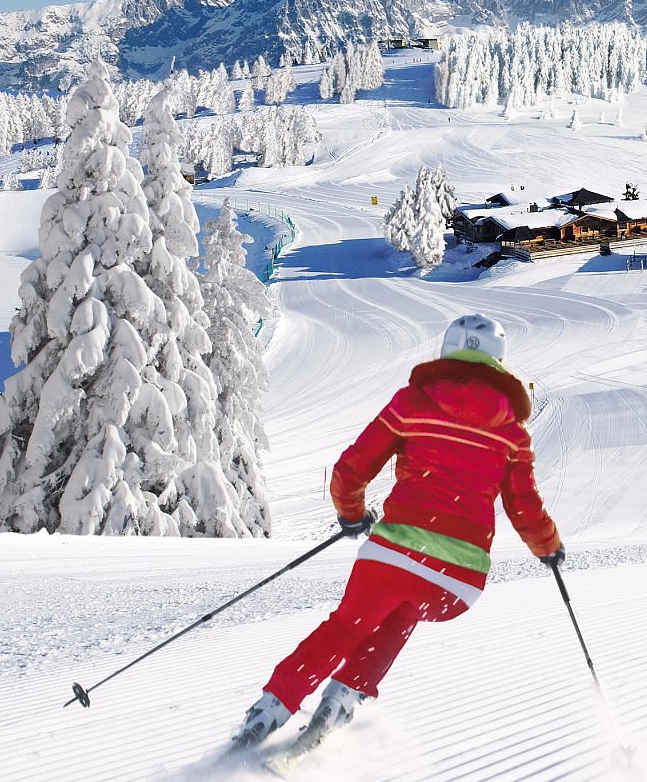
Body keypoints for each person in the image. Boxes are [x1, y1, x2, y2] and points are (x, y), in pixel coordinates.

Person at [231, 313, 564, 751]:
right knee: (406, 609)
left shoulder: (411, 403)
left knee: (349, 625)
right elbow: (523, 505)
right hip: (458, 580)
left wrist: (351, 514)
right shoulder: (512, 432)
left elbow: (350, 471)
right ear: (499, 362)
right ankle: (341, 700)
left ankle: (274, 707)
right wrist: (549, 547)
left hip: (394, 555)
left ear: (446, 352)